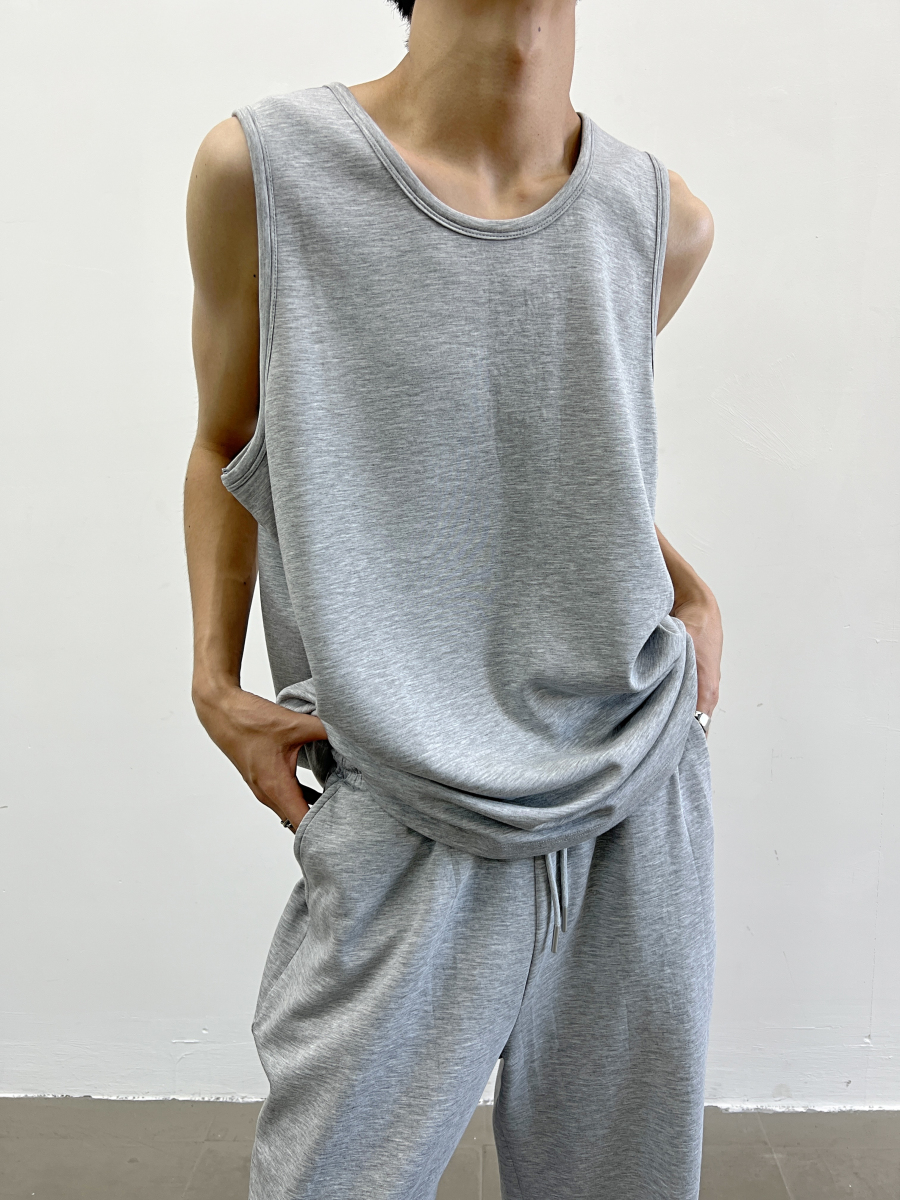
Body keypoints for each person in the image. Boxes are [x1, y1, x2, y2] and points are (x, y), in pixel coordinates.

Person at [184, 0, 723, 1195]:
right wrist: (214, 685)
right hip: (404, 791)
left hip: (635, 788)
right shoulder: (266, 172)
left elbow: (567, 460)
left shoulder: (660, 219)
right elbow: (227, 442)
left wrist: (693, 598)